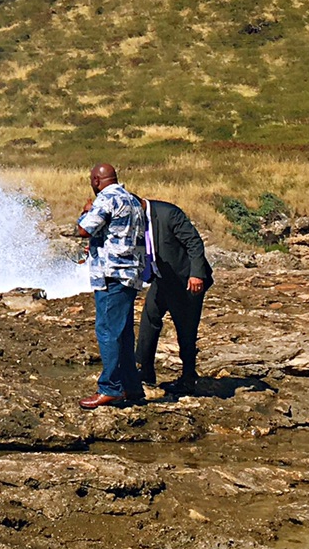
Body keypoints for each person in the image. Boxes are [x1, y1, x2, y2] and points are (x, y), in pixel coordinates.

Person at [76, 163, 148, 407]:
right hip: (131, 273)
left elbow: (84, 230)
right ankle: (132, 387)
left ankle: (110, 388)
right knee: (123, 333)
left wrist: (86, 211)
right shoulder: (133, 200)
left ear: (97, 180)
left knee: (107, 331)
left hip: (111, 274)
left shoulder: (106, 199)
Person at [134, 197, 214, 396]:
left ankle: (188, 379)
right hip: (162, 280)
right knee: (149, 320)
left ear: (139, 206)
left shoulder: (169, 213)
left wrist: (196, 274)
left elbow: (194, 242)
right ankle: (145, 371)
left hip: (186, 282)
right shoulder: (135, 221)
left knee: (186, 331)